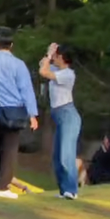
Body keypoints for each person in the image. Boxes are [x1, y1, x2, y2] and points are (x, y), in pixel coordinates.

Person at [0, 27, 38, 199]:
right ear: (11, 44)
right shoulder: (18, 64)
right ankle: (2, 186)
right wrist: (32, 114)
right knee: (9, 149)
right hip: (13, 110)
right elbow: (26, 90)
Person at [39, 42, 80, 200]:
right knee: (57, 156)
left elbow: (43, 71)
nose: (53, 58)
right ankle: (64, 190)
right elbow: (41, 65)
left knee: (66, 154)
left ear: (61, 57)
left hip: (67, 114)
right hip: (59, 115)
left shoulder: (68, 74)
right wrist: (49, 53)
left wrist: (49, 55)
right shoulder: (57, 69)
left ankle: (71, 189)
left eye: (56, 55)